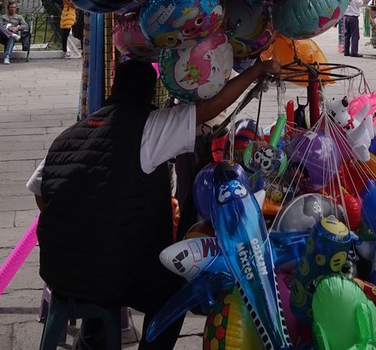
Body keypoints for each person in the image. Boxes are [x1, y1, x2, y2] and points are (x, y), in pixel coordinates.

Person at [27, 56, 282, 350]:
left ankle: (91, 338)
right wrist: (257, 69)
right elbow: (211, 108)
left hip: (58, 272)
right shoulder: (149, 126)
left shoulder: (73, 131)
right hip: (109, 275)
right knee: (175, 287)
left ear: (114, 87)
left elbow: (39, 191)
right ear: (151, 93)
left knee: (103, 260)